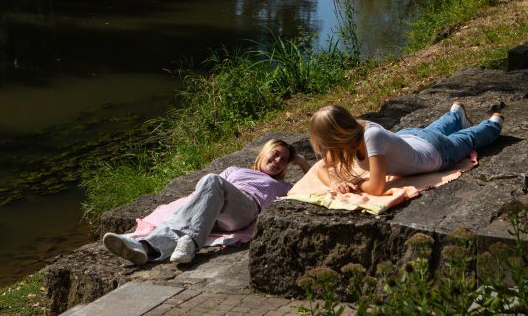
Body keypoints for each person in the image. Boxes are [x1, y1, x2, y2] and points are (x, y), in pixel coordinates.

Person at [103, 138, 310, 266]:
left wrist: (301, 161)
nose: (278, 161)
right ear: (264, 153)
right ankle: (144, 247)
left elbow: (312, 186)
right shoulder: (234, 170)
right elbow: (205, 192)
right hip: (214, 212)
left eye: (284, 160)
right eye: (275, 154)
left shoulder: (282, 186)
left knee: (211, 180)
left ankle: (191, 242)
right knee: (199, 198)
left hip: (245, 209)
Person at [308, 101, 505, 196]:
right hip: (411, 137)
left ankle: (494, 123)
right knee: (432, 130)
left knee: (467, 139)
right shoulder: (354, 134)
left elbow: (376, 187)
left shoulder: (371, 137)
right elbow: (321, 168)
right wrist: (335, 182)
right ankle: (455, 115)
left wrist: (357, 185)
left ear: (336, 138)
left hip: (435, 153)